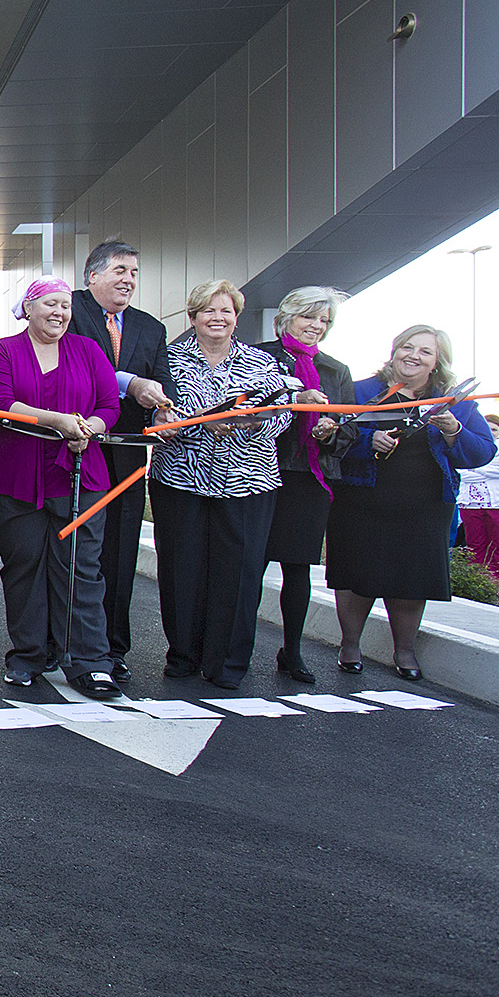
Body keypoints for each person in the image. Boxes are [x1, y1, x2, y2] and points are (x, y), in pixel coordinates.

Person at [0, 277, 123, 699]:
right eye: (50, 304)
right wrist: (58, 421)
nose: (59, 312)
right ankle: (28, 655)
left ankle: (90, 661)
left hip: (79, 474)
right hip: (15, 477)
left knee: (80, 568)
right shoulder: (5, 350)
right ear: (29, 308)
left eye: (65, 305)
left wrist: (89, 428)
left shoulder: (88, 350)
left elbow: (108, 406)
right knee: (23, 565)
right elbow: (1, 403)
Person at [328, 325, 495, 681]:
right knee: (357, 576)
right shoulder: (360, 391)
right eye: (407, 347)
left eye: (425, 351)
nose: (413, 356)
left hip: (424, 508)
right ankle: (350, 646)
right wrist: (368, 442)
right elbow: (330, 439)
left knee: (412, 580)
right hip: (361, 501)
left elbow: (483, 452)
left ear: (437, 362)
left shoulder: (454, 402)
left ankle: (404, 651)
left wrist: (454, 431)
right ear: (395, 350)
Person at [148, 281, 292, 691]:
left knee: (239, 573)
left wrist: (252, 422)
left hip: (249, 481)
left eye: (226, 310)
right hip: (180, 480)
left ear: (236, 317)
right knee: (181, 569)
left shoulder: (262, 362)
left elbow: (284, 414)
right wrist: (188, 423)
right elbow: (157, 413)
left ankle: (228, 662)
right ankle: (183, 656)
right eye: (208, 310)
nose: (218, 318)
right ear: (192, 317)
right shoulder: (168, 359)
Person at [68, 240, 172, 683]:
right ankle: (61, 642)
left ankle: (112, 648)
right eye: (120, 270)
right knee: (73, 550)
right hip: (76, 447)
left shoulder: (150, 328)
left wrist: (164, 411)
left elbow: (162, 383)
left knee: (119, 553)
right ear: (92, 275)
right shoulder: (69, 308)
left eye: (134, 272)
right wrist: (130, 383)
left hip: (128, 455)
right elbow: (76, 364)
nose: (129, 279)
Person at [253, 286, 356, 683]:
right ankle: (234, 646)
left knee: (297, 570)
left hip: (310, 479)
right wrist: (292, 396)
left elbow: (348, 429)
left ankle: (292, 652)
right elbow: (245, 407)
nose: (316, 326)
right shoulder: (259, 356)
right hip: (259, 474)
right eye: (308, 317)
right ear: (286, 318)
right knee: (250, 565)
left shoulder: (336, 370)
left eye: (324, 320)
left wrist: (330, 430)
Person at [456, 414, 499, 580]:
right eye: (487, 428)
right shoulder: (466, 446)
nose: (490, 432)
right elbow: (462, 474)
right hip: (471, 503)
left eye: (494, 429)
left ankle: (498, 580)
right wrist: (492, 471)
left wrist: (476, 469)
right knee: (474, 545)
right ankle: (477, 580)